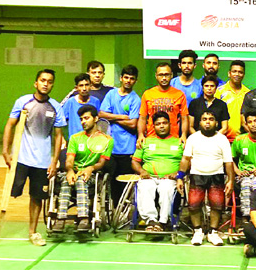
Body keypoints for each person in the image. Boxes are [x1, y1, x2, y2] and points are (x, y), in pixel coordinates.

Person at [2, 69, 66, 246]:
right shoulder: (23, 102)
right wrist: (6, 151)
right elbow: (10, 126)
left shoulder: (56, 107)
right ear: (36, 83)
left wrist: (54, 161)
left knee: (37, 197)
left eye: (50, 81)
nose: (46, 84)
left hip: (42, 161)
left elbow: (58, 136)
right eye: (43, 80)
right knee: (10, 192)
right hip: (20, 158)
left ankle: (33, 232)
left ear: (52, 84)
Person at [52, 105, 113, 233]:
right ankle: (61, 219)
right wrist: (69, 171)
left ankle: (83, 219)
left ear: (96, 119)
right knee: (67, 180)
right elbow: (69, 160)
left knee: (80, 180)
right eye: (81, 119)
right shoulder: (75, 138)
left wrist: (91, 167)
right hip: (73, 173)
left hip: (91, 176)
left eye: (86, 118)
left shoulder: (107, 140)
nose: (83, 121)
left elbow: (101, 163)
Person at [177, 111, 234, 246]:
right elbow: (185, 159)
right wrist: (180, 177)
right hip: (197, 175)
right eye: (204, 119)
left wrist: (231, 180)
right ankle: (197, 231)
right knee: (194, 205)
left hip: (217, 176)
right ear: (199, 122)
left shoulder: (222, 139)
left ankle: (213, 233)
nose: (207, 122)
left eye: (211, 119)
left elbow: (228, 162)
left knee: (217, 205)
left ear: (216, 123)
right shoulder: (193, 138)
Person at [131, 111, 184, 232]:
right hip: (149, 177)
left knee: (166, 188)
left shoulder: (179, 142)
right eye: (158, 124)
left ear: (170, 124)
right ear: (153, 126)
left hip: (169, 179)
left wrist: (178, 173)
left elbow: (187, 162)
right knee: (145, 187)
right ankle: (151, 220)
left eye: (164, 123)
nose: (161, 126)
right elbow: (134, 161)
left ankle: (163, 221)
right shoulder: (145, 142)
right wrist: (141, 171)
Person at [98, 65, 141, 206]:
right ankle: (113, 210)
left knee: (125, 184)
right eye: (126, 77)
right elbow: (102, 114)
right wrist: (121, 117)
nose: (128, 81)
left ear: (135, 81)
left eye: (132, 79)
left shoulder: (135, 99)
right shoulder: (111, 95)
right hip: (110, 148)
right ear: (121, 78)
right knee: (111, 182)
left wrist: (113, 118)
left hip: (127, 148)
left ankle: (124, 213)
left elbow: (133, 124)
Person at [137, 62, 189, 147]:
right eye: (161, 75)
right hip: (151, 138)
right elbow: (142, 118)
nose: (164, 78)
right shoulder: (147, 94)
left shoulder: (179, 94)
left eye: (167, 75)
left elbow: (184, 118)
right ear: (156, 76)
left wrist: (183, 135)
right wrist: (140, 135)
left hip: (173, 139)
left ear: (171, 75)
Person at [216, 60, 250, 143]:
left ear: (243, 75)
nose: (237, 74)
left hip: (242, 139)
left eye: (240, 72)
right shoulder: (219, 91)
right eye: (234, 71)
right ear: (229, 73)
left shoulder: (248, 93)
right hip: (221, 138)